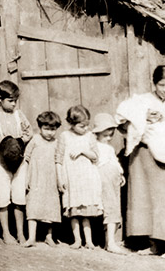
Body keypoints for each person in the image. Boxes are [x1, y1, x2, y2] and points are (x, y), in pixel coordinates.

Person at [117, 65, 165, 256]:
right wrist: (141, 117)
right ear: (154, 83)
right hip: (142, 156)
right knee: (145, 198)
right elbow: (122, 124)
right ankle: (153, 244)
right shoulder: (141, 102)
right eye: (161, 84)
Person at [0, 80, 32, 244]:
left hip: (18, 157)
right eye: (10, 101)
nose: (13, 104)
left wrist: (18, 142)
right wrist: (1, 140)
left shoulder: (19, 115)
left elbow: (29, 132)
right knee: (3, 194)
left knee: (19, 195)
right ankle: (6, 232)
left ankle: (20, 232)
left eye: (15, 101)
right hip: (0, 158)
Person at [56, 105, 102, 249]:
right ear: (72, 124)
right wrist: (60, 178)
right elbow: (58, 159)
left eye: (87, 125)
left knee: (86, 213)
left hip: (86, 179)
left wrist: (83, 151)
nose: (86, 129)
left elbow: (96, 157)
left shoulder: (90, 137)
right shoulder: (64, 136)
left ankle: (88, 240)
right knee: (74, 212)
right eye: (82, 126)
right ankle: (77, 240)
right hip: (72, 180)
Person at [23, 111, 62, 248]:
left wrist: (59, 180)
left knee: (49, 208)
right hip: (36, 178)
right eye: (46, 129)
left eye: (53, 129)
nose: (50, 133)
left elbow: (59, 160)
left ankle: (49, 236)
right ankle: (31, 237)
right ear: (40, 128)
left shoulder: (57, 143)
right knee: (33, 207)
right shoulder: (35, 140)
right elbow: (26, 158)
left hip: (50, 180)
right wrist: (26, 177)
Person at [92, 113, 127, 254]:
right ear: (98, 133)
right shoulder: (94, 146)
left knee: (113, 206)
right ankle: (109, 242)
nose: (108, 138)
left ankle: (110, 241)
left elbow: (114, 161)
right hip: (103, 178)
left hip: (113, 179)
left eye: (110, 135)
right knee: (108, 206)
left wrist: (120, 173)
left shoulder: (110, 148)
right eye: (105, 135)